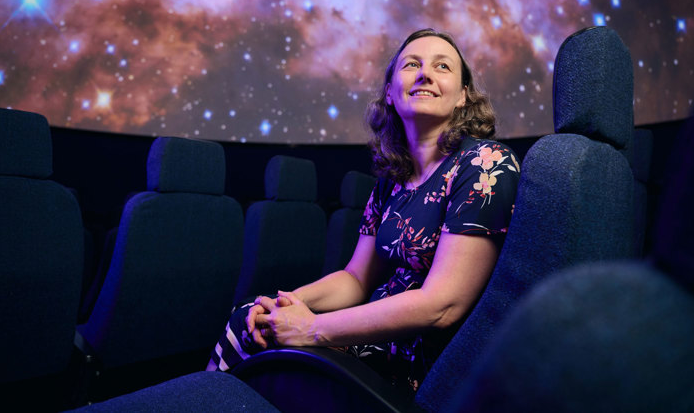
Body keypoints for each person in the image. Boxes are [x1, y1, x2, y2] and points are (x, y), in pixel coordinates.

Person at [207, 28, 520, 390]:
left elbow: (442, 306)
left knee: (252, 335)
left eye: (443, 66)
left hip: (421, 365)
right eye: (412, 64)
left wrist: (312, 328)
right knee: (250, 316)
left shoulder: (484, 164)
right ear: (390, 92)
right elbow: (356, 279)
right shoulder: (391, 181)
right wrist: (290, 303)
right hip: (371, 335)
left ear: (464, 95)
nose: (425, 74)